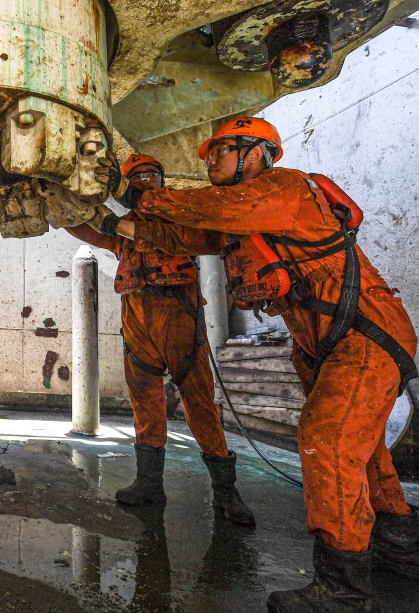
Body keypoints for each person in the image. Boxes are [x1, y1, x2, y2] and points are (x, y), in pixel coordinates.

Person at [93, 117, 418, 611]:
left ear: (257, 152)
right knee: (364, 448)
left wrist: (127, 191)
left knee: (327, 439)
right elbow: (180, 237)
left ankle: (343, 591)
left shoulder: (285, 189)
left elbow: (208, 207)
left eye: (220, 150)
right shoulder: (239, 221)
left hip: (364, 332)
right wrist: (111, 221)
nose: (209, 160)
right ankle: (397, 544)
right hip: (324, 341)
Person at [68, 154, 254, 526]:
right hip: (137, 319)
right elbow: (85, 230)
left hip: (179, 316)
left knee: (199, 401)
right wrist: (59, 205)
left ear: (162, 182)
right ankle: (149, 483)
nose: (145, 180)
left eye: (151, 174)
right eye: (137, 177)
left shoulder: (183, 222)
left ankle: (226, 491)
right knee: (145, 401)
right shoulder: (122, 231)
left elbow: (211, 238)